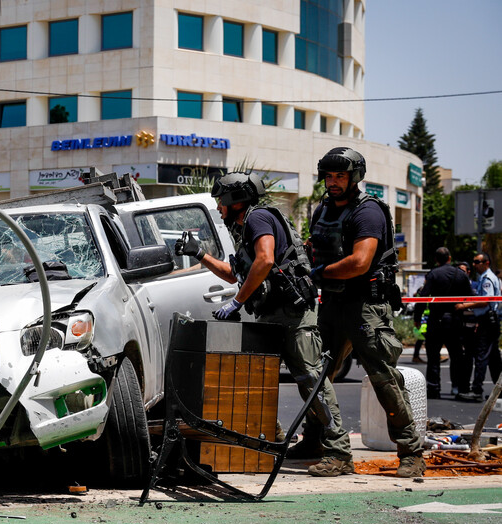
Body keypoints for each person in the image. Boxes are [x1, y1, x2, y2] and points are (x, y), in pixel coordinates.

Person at [174, 172, 353, 477]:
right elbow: (234, 273)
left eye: (221, 200)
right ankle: (274, 439)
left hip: (293, 315)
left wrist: (237, 302)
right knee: (260, 379)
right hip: (272, 314)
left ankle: (340, 453)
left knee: (312, 381)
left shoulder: (258, 219)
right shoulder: (245, 226)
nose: (218, 206)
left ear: (234, 199)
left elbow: (266, 260)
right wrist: (200, 254)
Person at [303, 146, 425, 478]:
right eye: (329, 176)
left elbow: (360, 262)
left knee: (384, 380)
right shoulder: (323, 210)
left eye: (340, 175)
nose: (333, 182)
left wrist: (318, 273)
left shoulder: (367, 212)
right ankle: (322, 445)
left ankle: (412, 452)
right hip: (331, 304)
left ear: (355, 177)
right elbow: (317, 250)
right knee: (316, 376)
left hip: (366, 306)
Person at [412, 248, 476, 400]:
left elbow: (423, 298)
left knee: (433, 356)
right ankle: (458, 388)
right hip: (455, 320)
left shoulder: (433, 274)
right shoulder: (460, 275)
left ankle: (434, 388)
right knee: (456, 356)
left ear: (436, 259)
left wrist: (417, 318)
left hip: (436, 320)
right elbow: (470, 297)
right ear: (450, 258)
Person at [461, 252, 502, 402]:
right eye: (474, 261)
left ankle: (477, 390)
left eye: (477, 262)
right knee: (494, 358)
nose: (474, 264)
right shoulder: (486, 277)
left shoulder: (487, 279)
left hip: (488, 321)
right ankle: (500, 390)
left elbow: (486, 300)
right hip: (490, 320)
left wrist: (464, 305)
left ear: (486, 263)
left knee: (482, 355)